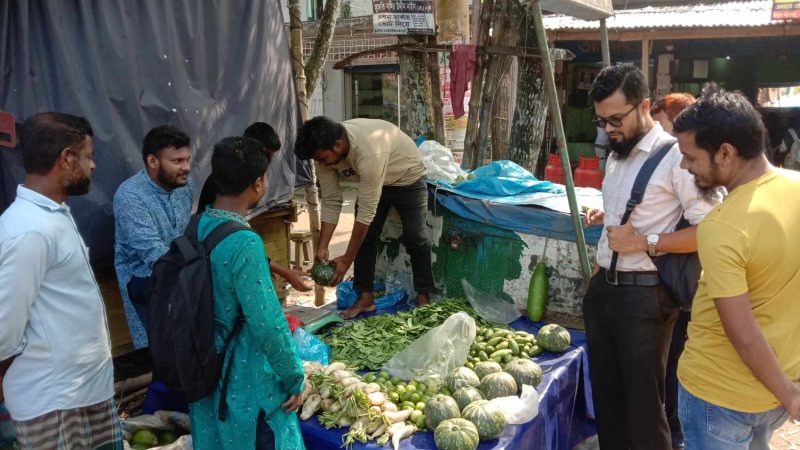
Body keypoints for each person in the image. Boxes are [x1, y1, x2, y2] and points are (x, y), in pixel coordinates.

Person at [582, 64, 722, 450]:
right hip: (605, 291)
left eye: (615, 119)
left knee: (645, 407)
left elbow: (712, 229)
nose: (608, 128)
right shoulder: (616, 154)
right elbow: (623, 219)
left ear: (643, 105)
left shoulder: (677, 157)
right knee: (607, 402)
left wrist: (646, 241)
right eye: (601, 120)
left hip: (646, 298)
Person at [674, 83, 800, 449]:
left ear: (725, 153)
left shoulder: (721, 226)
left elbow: (742, 334)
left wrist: (791, 397)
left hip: (719, 397)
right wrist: (787, 389)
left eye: (690, 157)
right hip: (777, 387)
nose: (684, 166)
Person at [0, 112, 122, 449]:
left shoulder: (51, 215)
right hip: (54, 403)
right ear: (67, 158)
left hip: (85, 392)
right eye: (89, 156)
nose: (93, 167)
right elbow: (3, 330)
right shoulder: (27, 230)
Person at [189, 136, 305, 450]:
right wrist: (294, 377)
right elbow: (267, 323)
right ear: (257, 183)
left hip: (203, 362)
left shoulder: (197, 224)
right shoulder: (244, 242)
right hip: (242, 373)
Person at [294, 116, 434, 319]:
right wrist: (322, 247)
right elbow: (332, 200)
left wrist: (346, 260)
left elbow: (366, 213)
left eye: (322, 159)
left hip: (407, 176)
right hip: (374, 181)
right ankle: (365, 299)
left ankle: (424, 298)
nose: (320, 163)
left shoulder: (370, 151)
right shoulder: (323, 156)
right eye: (317, 160)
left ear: (338, 145)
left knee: (415, 237)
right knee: (366, 239)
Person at [198, 122, 311, 293]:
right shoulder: (238, 235)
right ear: (256, 184)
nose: (267, 165)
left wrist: (272, 268)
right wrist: (260, 272)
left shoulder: (208, 223)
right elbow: (266, 318)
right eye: (266, 158)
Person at [113, 125, 194, 349]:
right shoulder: (130, 196)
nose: (186, 167)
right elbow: (154, 255)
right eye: (177, 161)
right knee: (164, 354)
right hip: (145, 281)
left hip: (182, 275)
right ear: (152, 161)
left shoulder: (185, 187)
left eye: (187, 159)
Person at [650, 91, 699, 450]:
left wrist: (649, 241)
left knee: (676, 369)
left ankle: (676, 437)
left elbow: (705, 231)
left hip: (686, 293)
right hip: (676, 288)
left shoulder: (694, 170)